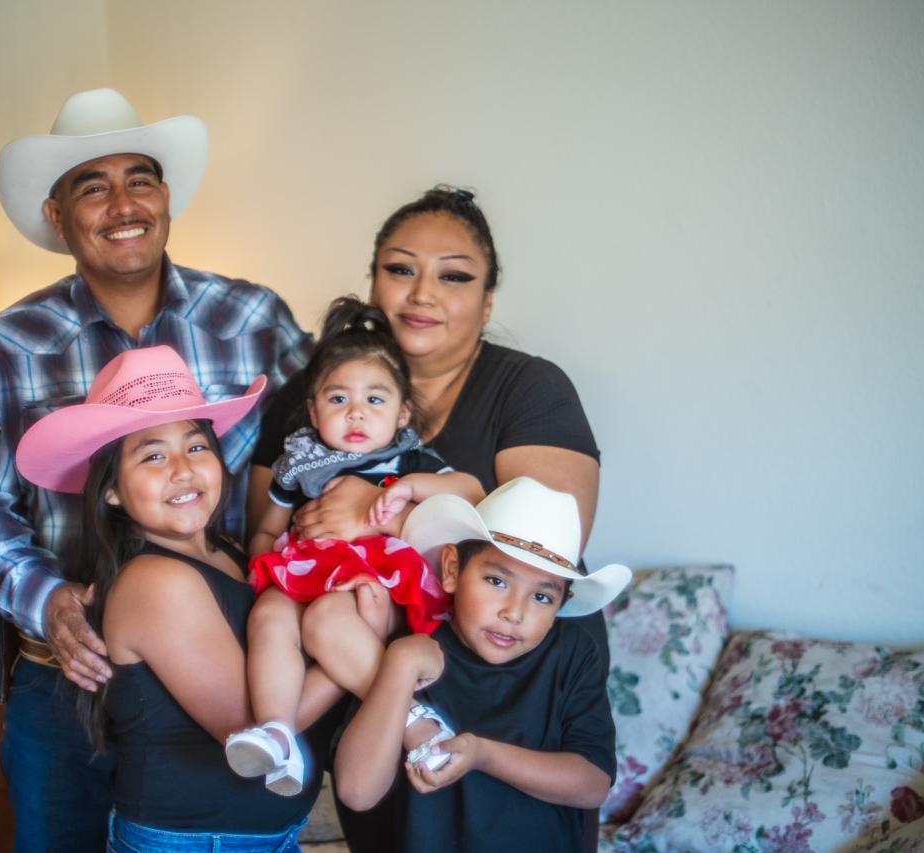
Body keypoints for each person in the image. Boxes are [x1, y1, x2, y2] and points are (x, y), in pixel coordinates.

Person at [0, 89, 310, 852]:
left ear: (166, 196)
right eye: (92, 186)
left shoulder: (253, 319)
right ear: (57, 214)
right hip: (67, 673)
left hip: (224, 655)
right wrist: (51, 602)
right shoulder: (7, 345)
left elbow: (317, 449)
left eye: (139, 178)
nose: (122, 203)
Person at [247, 186, 606, 851]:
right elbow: (271, 525)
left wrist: (376, 511)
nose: (422, 292)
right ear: (373, 281)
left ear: (488, 301)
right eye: (400, 268)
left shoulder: (530, 387)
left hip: (508, 685)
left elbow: (551, 538)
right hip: (369, 687)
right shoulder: (312, 392)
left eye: (454, 275)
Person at [14, 346, 342, 852]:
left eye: (196, 447)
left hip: (262, 838)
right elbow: (254, 732)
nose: (183, 469)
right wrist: (364, 659)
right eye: (152, 455)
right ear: (112, 492)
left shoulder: (228, 553)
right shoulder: (156, 583)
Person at [224, 296, 482, 797]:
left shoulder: (406, 461)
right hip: (300, 567)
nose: (356, 413)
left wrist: (411, 491)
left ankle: (413, 719)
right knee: (268, 618)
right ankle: (277, 731)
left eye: (376, 400)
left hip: (372, 575)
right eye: (338, 399)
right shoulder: (298, 462)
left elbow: (472, 492)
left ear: (404, 412)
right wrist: (260, 567)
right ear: (314, 410)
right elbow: (265, 527)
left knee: (328, 621)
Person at [335, 477, 631, 852]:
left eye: (541, 596)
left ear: (562, 605)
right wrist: (400, 662)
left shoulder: (572, 653)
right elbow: (357, 792)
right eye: (496, 580)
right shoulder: (414, 646)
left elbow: (592, 785)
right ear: (452, 569)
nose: (514, 613)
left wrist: (482, 755)